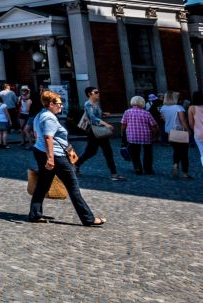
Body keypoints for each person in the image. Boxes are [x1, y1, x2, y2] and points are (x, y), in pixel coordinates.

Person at [28, 90, 104, 226]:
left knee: (43, 184)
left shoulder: (39, 115)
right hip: (55, 156)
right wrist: (50, 158)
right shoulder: (49, 118)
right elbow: (47, 138)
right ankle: (88, 218)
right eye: (59, 104)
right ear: (51, 104)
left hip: (40, 151)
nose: (61, 106)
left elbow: (36, 134)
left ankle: (35, 214)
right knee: (72, 186)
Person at [75, 87, 125, 181]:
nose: (98, 93)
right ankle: (76, 165)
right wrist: (106, 124)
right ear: (90, 94)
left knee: (108, 152)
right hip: (93, 131)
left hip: (100, 131)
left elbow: (97, 115)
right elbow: (92, 118)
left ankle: (114, 174)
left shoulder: (97, 104)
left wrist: (104, 114)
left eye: (98, 92)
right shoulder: (88, 104)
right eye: (96, 92)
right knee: (90, 152)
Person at [121, 96, 158, 175]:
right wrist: (155, 134)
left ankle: (137, 168)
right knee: (148, 153)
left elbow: (123, 124)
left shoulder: (127, 112)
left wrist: (122, 134)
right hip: (146, 135)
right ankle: (148, 169)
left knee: (135, 153)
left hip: (132, 136)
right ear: (142, 103)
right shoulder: (147, 113)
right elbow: (153, 125)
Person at [160, 91, 192, 179]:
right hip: (180, 131)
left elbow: (165, 120)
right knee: (184, 153)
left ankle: (175, 165)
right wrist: (188, 130)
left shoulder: (163, 108)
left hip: (170, 132)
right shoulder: (179, 107)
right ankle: (185, 173)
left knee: (176, 151)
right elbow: (183, 121)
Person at [188, 91, 203, 168]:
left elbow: (190, 122)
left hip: (198, 133)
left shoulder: (191, 108)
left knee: (202, 153)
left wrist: (194, 129)